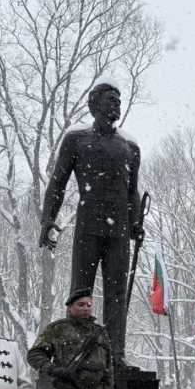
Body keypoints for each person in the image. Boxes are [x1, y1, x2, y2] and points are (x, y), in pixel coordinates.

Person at [39, 80, 143, 368]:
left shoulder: (130, 146)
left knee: (117, 293)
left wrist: (136, 223)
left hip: (120, 226)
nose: (117, 104)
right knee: (80, 290)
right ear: (94, 104)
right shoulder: (77, 138)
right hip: (88, 222)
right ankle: (78, 351)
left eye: (119, 100)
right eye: (111, 99)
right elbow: (58, 183)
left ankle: (115, 354)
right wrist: (48, 219)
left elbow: (132, 189)